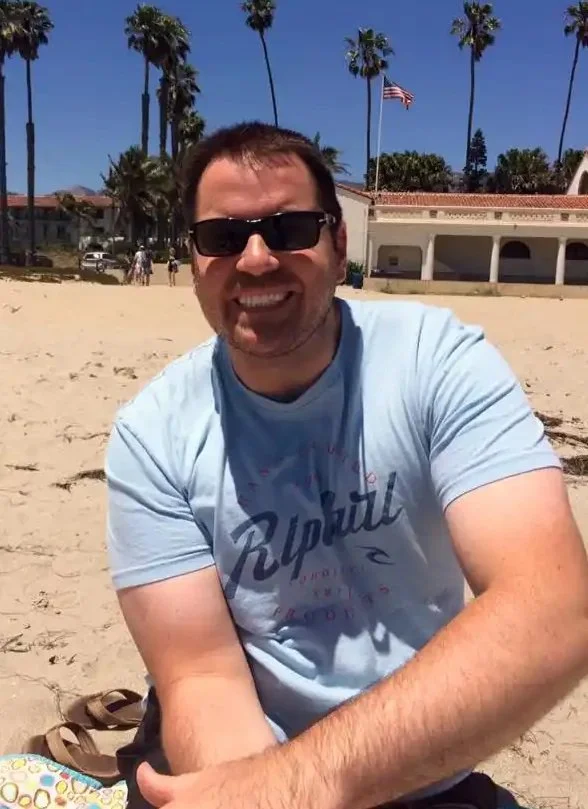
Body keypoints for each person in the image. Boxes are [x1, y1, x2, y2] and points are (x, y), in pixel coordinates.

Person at [105, 122, 588, 809]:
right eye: (222, 238)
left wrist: (309, 782)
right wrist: (270, 790)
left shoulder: (438, 363)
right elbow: (201, 674)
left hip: (415, 757)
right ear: (193, 262)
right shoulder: (153, 434)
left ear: (339, 245)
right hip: (240, 764)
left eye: (289, 228)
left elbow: (554, 605)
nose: (255, 259)